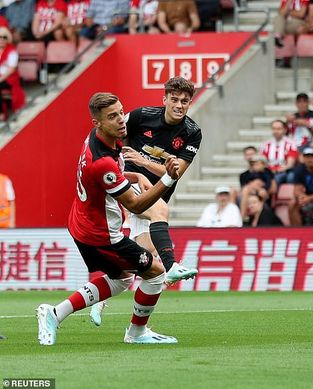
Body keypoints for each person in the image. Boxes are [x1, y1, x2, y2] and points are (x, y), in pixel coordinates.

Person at [37, 92, 182, 346]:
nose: (121, 120)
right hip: (103, 235)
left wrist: (133, 176)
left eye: (121, 112)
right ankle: (136, 333)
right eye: (112, 117)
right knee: (156, 273)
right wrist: (168, 179)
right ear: (98, 123)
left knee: (123, 278)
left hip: (82, 222)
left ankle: (55, 314)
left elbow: (112, 175)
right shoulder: (102, 162)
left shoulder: (97, 138)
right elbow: (136, 204)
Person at [88, 78, 203, 326]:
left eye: (184, 101)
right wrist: (120, 164)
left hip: (156, 190)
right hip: (129, 187)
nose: (179, 105)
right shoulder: (142, 116)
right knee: (160, 211)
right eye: (174, 100)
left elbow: (175, 172)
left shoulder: (192, 133)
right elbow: (108, 130)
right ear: (165, 100)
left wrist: (143, 161)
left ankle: (98, 297)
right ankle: (172, 266)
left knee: (143, 259)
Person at [260, 119, 298, 185]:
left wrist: (277, 170)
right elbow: (262, 161)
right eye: (274, 129)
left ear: (285, 130)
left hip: (284, 172)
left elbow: (290, 164)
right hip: (269, 171)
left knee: (278, 178)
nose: (276, 131)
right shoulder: (266, 144)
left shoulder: (290, 143)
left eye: (279, 129)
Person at [0, 26, 25, 119]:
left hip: (10, 78)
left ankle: (1, 114)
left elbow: (12, 70)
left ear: (8, 39)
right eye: (0, 37)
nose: (1, 39)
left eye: (4, 37)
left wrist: (0, 79)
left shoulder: (12, 51)